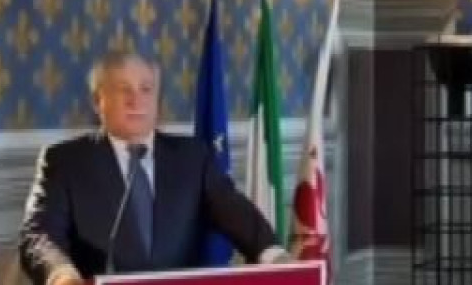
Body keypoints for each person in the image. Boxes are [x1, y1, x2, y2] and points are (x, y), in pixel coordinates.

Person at [19, 52, 290, 285]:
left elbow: (234, 210)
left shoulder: (192, 157)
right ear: (97, 101)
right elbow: (40, 235)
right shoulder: (65, 162)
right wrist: (61, 274)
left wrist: (274, 255)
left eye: (146, 90)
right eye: (123, 89)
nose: (136, 101)